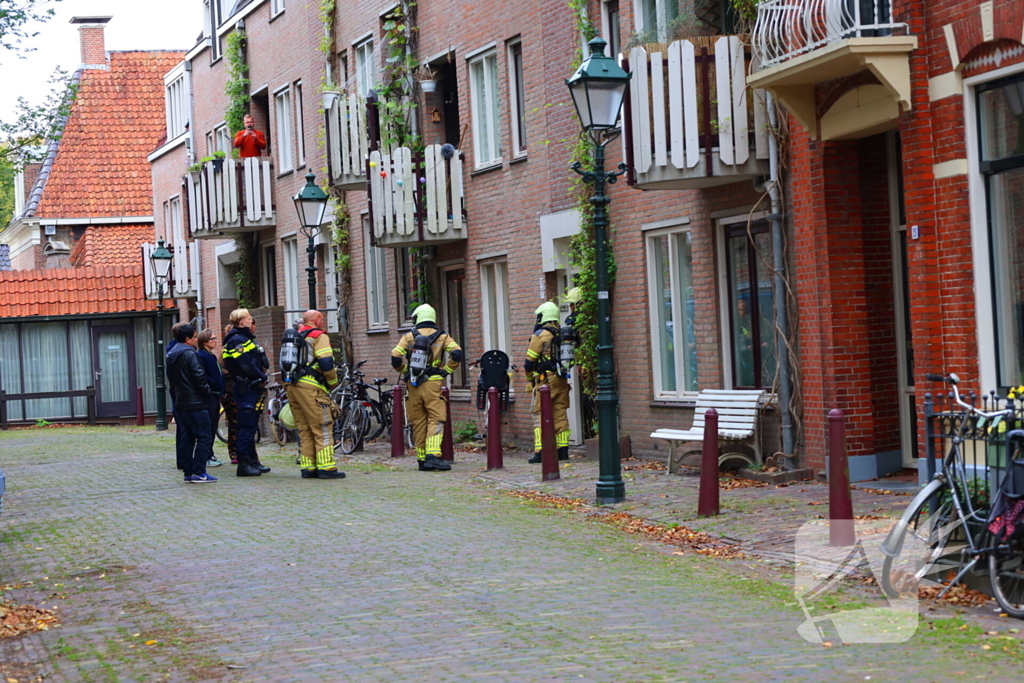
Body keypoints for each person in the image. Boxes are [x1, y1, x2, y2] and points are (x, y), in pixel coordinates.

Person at [390, 304, 463, 471]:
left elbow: (395, 356)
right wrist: (446, 371)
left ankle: (422, 459)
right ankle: (433, 456)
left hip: (413, 384)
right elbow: (457, 353)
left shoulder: (409, 336)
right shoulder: (443, 337)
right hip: (433, 383)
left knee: (419, 421)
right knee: (436, 418)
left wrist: (405, 370)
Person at [287, 309, 346, 479]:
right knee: (322, 426)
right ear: (318, 320)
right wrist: (333, 382)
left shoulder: (295, 336)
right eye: (322, 318)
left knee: (304, 428)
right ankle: (326, 468)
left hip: (292, 386)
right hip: (311, 387)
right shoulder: (319, 336)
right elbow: (326, 361)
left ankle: (308, 467)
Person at [165, 324, 217, 483]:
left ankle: (188, 471)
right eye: (194, 337)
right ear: (187, 339)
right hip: (195, 401)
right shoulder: (190, 354)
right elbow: (199, 377)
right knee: (204, 437)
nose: (196, 340)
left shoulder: (171, 354)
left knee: (187, 437)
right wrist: (207, 394)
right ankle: (199, 471)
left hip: (181, 401)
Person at [222, 309, 270, 477]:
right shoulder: (237, 341)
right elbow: (245, 364)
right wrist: (260, 375)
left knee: (250, 426)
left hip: (251, 386)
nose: (251, 321)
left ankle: (251, 461)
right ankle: (244, 464)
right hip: (245, 387)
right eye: (249, 319)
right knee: (246, 427)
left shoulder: (243, 339)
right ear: (242, 322)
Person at [524, 301, 572, 463]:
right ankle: (563, 450)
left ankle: (540, 451)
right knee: (560, 413)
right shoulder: (562, 333)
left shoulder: (540, 335)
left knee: (539, 413)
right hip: (562, 379)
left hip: (545, 380)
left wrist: (530, 380)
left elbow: (529, 362)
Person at [196, 329, 225, 468]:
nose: (215, 340)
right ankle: (207, 455)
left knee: (213, 425)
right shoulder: (201, 356)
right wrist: (213, 383)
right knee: (209, 426)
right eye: (212, 338)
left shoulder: (211, 356)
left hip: (216, 393)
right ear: (205, 341)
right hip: (210, 394)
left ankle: (210, 454)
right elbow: (201, 374)